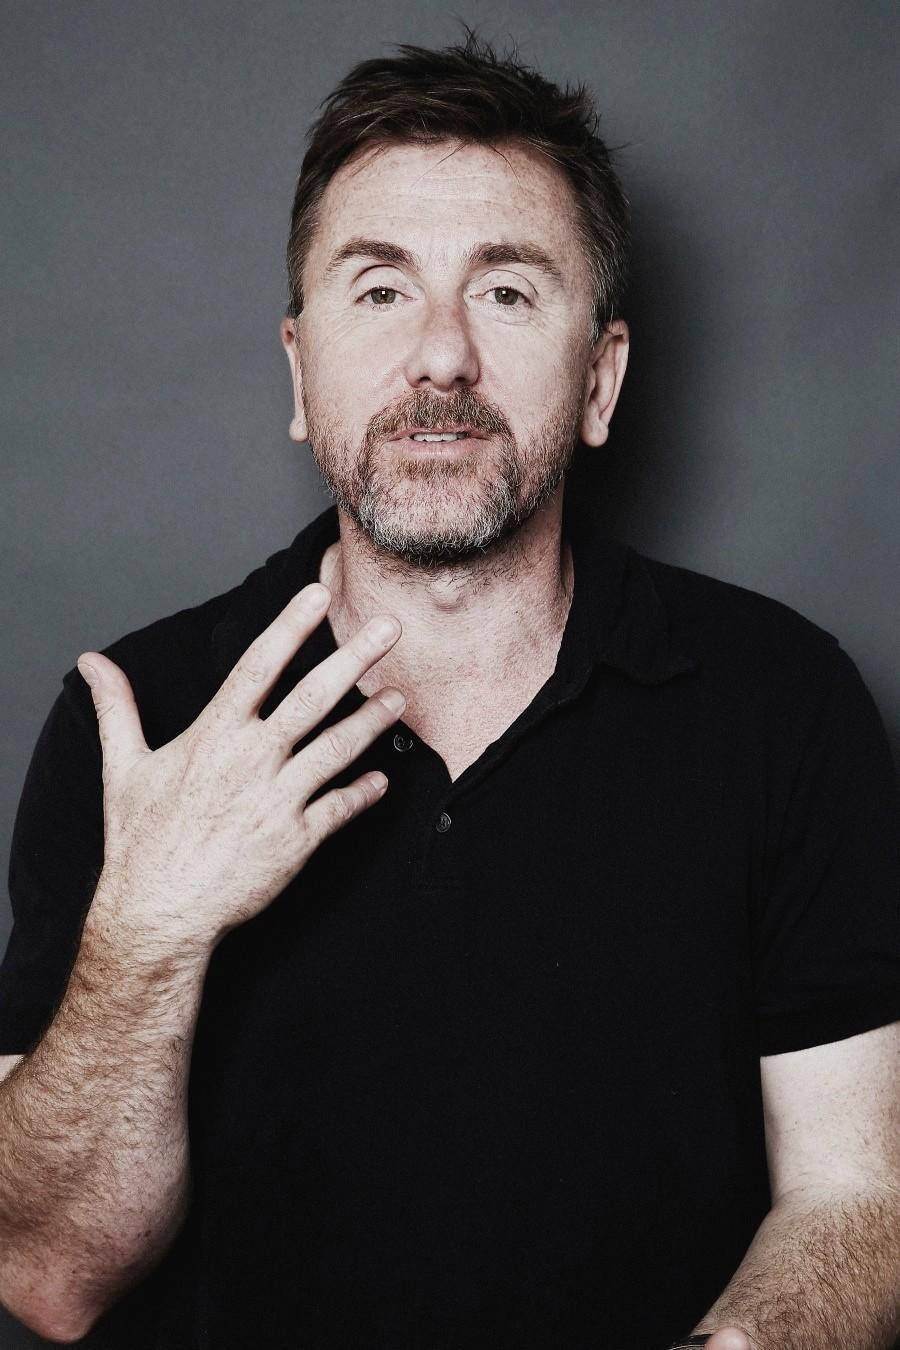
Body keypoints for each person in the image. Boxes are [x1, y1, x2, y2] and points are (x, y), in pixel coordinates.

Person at [1, 28, 899, 1350]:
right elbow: (49, 1277)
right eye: (380, 291)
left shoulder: (785, 706)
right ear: (299, 373)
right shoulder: (136, 717)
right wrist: (151, 929)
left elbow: (858, 1196)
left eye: (508, 292)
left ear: (600, 381)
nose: (440, 358)